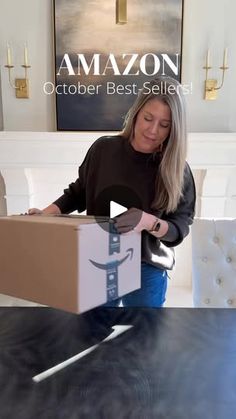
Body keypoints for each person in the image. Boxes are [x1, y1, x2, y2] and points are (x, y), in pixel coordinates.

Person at [29, 76, 196, 308]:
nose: (153, 130)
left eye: (165, 125)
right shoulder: (103, 149)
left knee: (140, 339)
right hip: (97, 258)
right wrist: (45, 214)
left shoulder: (177, 169)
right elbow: (78, 191)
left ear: (174, 128)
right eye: (148, 118)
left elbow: (179, 227)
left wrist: (148, 222)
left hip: (146, 267)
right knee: (92, 333)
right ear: (136, 112)